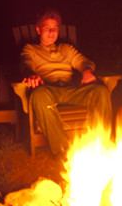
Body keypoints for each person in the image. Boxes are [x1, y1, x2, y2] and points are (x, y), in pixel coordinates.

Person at [21, 9, 112, 157]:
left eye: (55, 29)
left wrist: (87, 71)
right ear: (38, 30)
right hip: (48, 91)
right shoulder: (31, 49)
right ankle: (63, 153)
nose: (51, 32)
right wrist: (30, 74)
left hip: (70, 91)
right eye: (47, 28)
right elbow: (25, 63)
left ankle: (101, 145)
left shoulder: (66, 49)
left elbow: (84, 61)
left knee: (100, 91)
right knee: (38, 95)